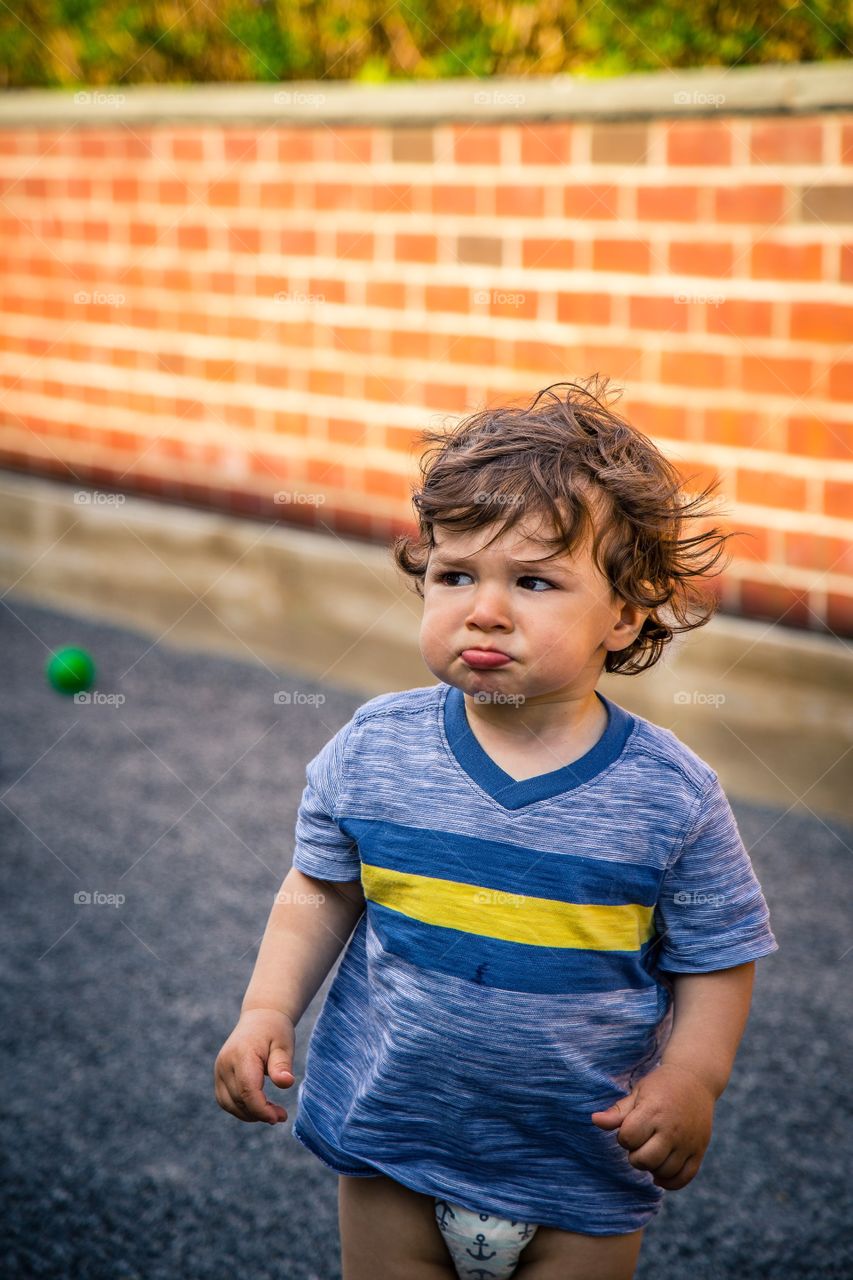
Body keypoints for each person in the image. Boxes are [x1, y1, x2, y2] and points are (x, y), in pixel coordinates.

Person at [214, 377, 779, 1280]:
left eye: (533, 580)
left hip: (578, 1168)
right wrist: (266, 1008)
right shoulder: (375, 748)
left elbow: (716, 951)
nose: (483, 607)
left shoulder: (669, 794)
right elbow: (319, 889)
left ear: (624, 612)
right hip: (393, 1140)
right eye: (454, 574)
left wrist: (691, 1079)